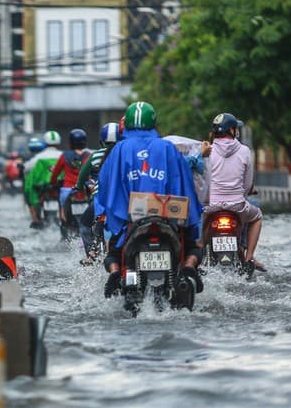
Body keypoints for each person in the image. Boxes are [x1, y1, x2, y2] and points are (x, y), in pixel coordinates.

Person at [94, 102, 203, 298]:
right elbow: (184, 181)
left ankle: (115, 273)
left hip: (132, 219)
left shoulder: (119, 149)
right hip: (167, 217)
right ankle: (188, 267)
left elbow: (106, 183)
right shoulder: (167, 148)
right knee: (193, 247)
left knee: (113, 253)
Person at [200, 112, 264, 271]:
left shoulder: (207, 151)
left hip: (210, 207)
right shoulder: (245, 151)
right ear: (231, 130)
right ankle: (249, 258)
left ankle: (197, 259)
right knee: (257, 216)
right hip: (237, 206)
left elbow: (202, 181)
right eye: (236, 128)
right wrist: (243, 193)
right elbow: (247, 184)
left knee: (197, 229)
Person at [76, 122, 121, 264]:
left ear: (101, 141)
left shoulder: (95, 156)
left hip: (100, 199)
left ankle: (91, 253)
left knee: (84, 224)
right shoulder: (124, 154)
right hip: (122, 199)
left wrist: (78, 186)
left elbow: (82, 175)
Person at [50, 128, 92, 228]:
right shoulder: (89, 155)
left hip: (67, 189)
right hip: (85, 190)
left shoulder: (64, 156)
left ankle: (63, 219)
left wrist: (53, 182)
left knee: (62, 209)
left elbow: (55, 173)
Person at [23, 133, 63, 227]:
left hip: (42, 187)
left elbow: (26, 168)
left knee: (28, 190)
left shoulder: (39, 157)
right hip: (59, 186)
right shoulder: (63, 155)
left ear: (45, 142)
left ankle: (35, 218)